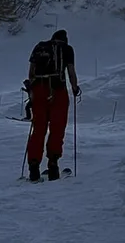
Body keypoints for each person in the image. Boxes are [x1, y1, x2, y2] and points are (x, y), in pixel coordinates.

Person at [25, 29, 82, 181]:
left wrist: (32, 91)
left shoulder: (39, 47)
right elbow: (70, 71)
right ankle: (53, 165)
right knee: (57, 128)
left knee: (38, 128)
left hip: (39, 90)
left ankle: (33, 166)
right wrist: (75, 88)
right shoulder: (67, 49)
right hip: (57, 90)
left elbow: (31, 73)